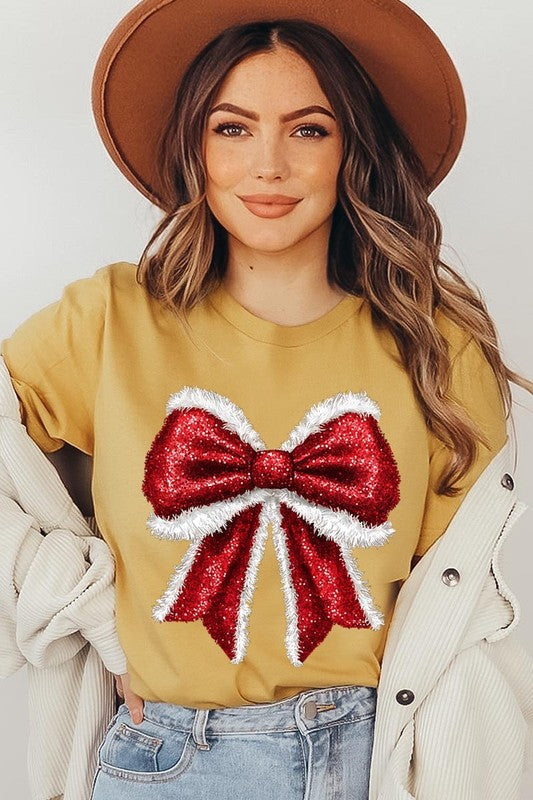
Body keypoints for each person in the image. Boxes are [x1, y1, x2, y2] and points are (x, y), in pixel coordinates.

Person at [1, 1, 532, 798]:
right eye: (233, 128)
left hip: (377, 758)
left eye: (308, 129)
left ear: (352, 148)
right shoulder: (107, 321)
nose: (269, 166)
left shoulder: (435, 347)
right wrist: (76, 600)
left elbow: (458, 618)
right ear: (195, 146)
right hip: (167, 761)